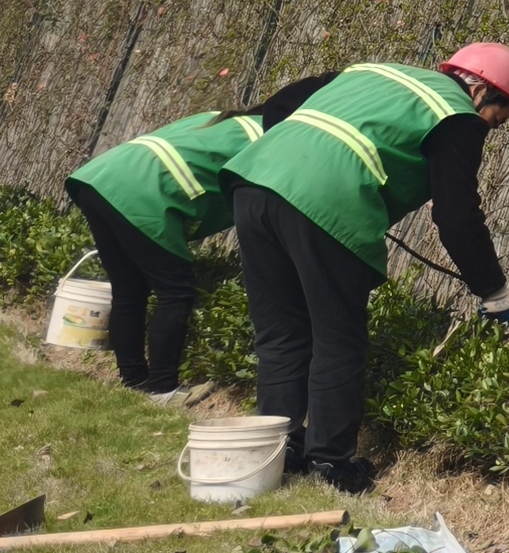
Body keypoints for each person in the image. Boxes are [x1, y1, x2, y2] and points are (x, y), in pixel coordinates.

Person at [220, 45, 509, 493]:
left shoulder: (373, 73)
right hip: (326, 204)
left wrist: (297, 160)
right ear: (480, 90)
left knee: (282, 331)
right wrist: (494, 291)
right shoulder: (458, 115)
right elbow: (457, 217)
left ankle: (275, 448)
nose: (492, 127)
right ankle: (329, 464)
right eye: (498, 117)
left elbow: (282, 104)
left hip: (253, 183)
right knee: (337, 337)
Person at [61, 76, 327, 395]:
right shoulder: (273, 140)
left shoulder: (227, 120)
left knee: (129, 289)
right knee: (175, 291)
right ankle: (163, 388)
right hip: (142, 195)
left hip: (100, 178)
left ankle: (132, 380)